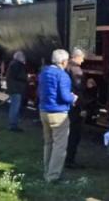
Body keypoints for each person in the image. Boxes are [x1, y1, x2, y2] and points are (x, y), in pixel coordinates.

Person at [38, 49, 77, 183]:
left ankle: (46, 171)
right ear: (63, 61)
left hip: (44, 111)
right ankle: (53, 176)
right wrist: (73, 98)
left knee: (48, 143)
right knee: (59, 146)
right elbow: (65, 96)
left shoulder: (44, 72)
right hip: (58, 113)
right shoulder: (63, 75)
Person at [65, 48, 87, 168]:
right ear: (76, 57)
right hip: (75, 106)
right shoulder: (76, 70)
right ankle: (70, 160)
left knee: (67, 133)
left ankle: (65, 158)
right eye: (82, 57)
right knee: (74, 134)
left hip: (66, 105)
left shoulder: (66, 68)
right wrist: (83, 107)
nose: (83, 60)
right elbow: (79, 91)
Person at [6, 51, 27, 132]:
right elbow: (20, 76)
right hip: (16, 89)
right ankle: (13, 125)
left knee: (14, 106)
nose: (24, 58)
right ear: (20, 57)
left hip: (14, 88)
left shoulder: (13, 64)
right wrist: (27, 77)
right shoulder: (18, 65)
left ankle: (13, 123)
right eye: (23, 56)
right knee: (15, 107)